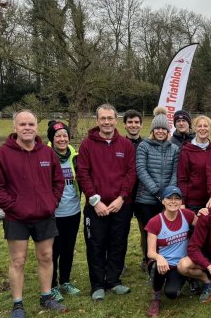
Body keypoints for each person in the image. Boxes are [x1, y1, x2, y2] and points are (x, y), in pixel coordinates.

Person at [0, 110, 67, 316]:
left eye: (31, 124)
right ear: (15, 128)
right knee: (18, 260)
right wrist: (14, 206)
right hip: (16, 218)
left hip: (44, 216)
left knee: (46, 256)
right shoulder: (2, 154)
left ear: (36, 127)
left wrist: (52, 202)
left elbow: (58, 181)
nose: (27, 128)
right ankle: (17, 303)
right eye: (22, 124)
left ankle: (46, 297)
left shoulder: (47, 153)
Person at [77, 104, 137, 301]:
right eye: (103, 118)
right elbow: (83, 173)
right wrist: (95, 201)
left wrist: (122, 198)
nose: (106, 122)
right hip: (96, 207)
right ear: (97, 121)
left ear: (116, 120)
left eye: (110, 118)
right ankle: (97, 284)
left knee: (118, 243)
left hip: (121, 205)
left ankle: (113, 281)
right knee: (96, 244)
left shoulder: (126, 145)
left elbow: (131, 173)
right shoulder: (87, 144)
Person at [135, 107, 180, 271]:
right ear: (153, 130)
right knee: (149, 233)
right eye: (157, 128)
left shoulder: (174, 148)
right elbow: (141, 170)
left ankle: (165, 261)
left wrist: (168, 194)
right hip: (145, 199)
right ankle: (149, 262)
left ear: (168, 131)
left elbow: (175, 172)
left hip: (166, 199)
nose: (160, 131)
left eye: (163, 128)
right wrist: (157, 192)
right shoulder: (144, 146)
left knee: (165, 233)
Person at [145, 186, 198, 317]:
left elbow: (203, 226)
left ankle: (188, 277)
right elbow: (150, 252)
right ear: (163, 201)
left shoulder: (188, 215)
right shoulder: (155, 221)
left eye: (177, 198)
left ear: (181, 202)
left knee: (172, 294)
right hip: (163, 264)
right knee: (157, 265)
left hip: (180, 265)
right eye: (169, 198)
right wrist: (159, 257)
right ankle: (156, 298)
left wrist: (205, 213)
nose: (173, 201)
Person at [46, 121, 82, 302]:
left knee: (68, 248)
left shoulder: (75, 156)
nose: (62, 139)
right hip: (53, 213)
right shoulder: (44, 156)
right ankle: (51, 285)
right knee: (53, 251)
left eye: (64, 135)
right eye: (58, 136)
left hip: (73, 211)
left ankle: (65, 281)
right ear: (51, 139)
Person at [123, 109, 145, 270]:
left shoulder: (146, 144)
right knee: (121, 231)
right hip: (124, 195)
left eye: (136, 122)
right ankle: (118, 262)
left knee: (145, 229)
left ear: (141, 125)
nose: (133, 125)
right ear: (124, 125)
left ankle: (146, 258)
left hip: (143, 193)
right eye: (130, 122)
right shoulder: (119, 144)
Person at [178, 115, 211, 214]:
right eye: (199, 126)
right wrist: (182, 201)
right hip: (193, 203)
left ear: (210, 129)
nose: (202, 129)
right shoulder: (186, 150)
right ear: (194, 128)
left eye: (206, 126)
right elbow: (182, 178)